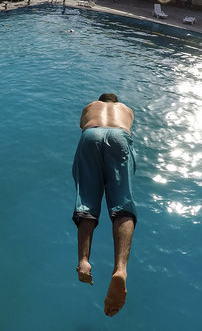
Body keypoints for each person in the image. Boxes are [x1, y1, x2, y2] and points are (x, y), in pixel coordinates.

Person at [72, 93, 137, 317]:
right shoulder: (127, 110)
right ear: (116, 103)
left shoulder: (90, 106)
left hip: (90, 135)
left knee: (87, 203)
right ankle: (120, 270)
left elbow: (83, 125)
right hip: (120, 136)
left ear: (100, 102)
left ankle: (83, 261)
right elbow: (128, 128)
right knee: (122, 204)